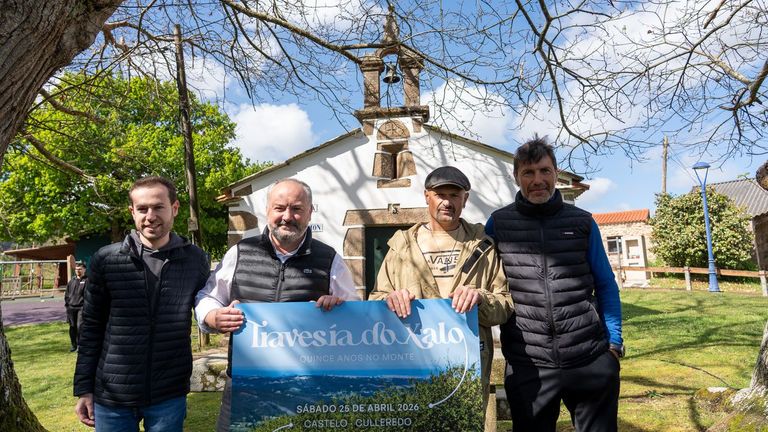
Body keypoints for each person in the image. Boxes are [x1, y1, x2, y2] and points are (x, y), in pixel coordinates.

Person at [195, 178, 360, 432]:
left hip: (307, 391)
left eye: (296, 208)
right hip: (243, 386)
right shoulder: (240, 252)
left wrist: (339, 307)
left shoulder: (330, 259)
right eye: (280, 208)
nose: (287, 216)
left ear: (310, 212)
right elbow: (209, 296)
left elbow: (356, 316)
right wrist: (213, 316)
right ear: (267, 211)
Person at [486, 137, 623, 432]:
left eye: (545, 171)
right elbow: (479, 280)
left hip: (589, 358)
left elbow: (606, 284)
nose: (538, 180)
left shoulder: (583, 222)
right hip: (529, 365)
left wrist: (614, 344)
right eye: (529, 172)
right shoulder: (498, 224)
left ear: (556, 173)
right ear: (516, 177)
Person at [368, 166, 514, 418]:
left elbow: (505, 304)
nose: (447, 202)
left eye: (454, 195)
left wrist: (480, 299)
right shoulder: (401, 246)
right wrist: (389, 301)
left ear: (465, 199)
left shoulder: (484, 247)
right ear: (427, 196)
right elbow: (376, 301)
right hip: (414, 363)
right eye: (440, 195)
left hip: (468, 365)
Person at [73, 176, 210, 431]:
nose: (150, 216)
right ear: (132, 211)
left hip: (168, 393)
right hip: (112, 393)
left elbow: (212, 302)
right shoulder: (106, 259)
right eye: (142, 208)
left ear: (175, 208)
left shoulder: (196, 260)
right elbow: (91, 326)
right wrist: (84, 388)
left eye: (158, 207)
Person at [65, 260, 88, 352]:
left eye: (80, 269)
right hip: (71, 308)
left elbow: (89, 295)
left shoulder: (88, 280)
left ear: (84, 270)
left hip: (82, 308)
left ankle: (80, 345)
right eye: (76, 269)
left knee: (80, 326)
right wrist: (67, 305)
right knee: (72, 327)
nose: (78, 271)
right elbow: (67, 295)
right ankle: (73, 345)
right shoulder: (71, 281)